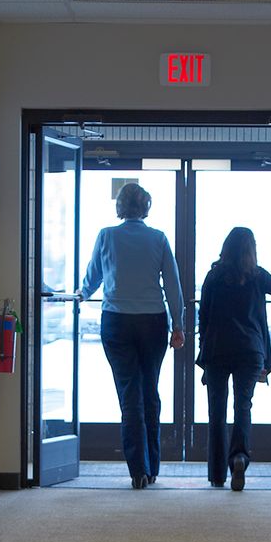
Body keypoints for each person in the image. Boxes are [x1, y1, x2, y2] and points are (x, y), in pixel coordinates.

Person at [78, 183, 184, 489]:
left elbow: (94, 276)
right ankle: (153, 468)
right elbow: (173, 286)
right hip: (152, 321)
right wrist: (178, 326)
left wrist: (82, 293)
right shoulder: (159, 238)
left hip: (117, 321)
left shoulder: (107, 235)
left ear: (120, 207)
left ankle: (138, 470)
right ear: (146, 207)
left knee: (129, 395)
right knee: (150, 391)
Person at [196, 227, 271, 490]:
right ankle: (239, 457)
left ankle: (217, 474)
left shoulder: (213, 277)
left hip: (216, 351)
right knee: (243, 406)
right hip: (250, 351)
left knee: (216, 411)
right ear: (252, 250)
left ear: (225, 248)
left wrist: (203, 356)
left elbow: (202, 318)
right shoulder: (258, 276)